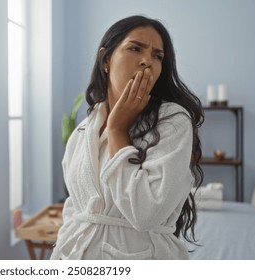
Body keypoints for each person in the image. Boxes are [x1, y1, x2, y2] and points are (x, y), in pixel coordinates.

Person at [51, 15, 204, 260]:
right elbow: (75, 210)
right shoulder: (82, 132)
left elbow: (146, 213)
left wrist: (117, 131)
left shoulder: (173, 121)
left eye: (158, 56)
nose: (147, 62)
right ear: (106, 59)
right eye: (135, 49)